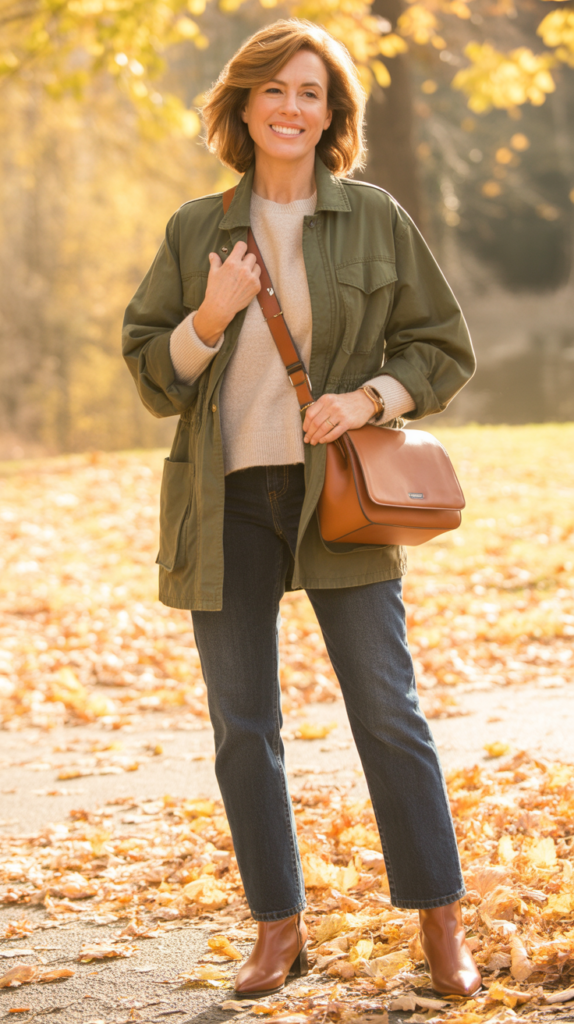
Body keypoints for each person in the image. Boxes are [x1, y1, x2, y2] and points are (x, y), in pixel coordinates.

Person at [122, 18, 480, 1001]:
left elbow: (442, 348)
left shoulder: (374, 218)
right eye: (273, 89)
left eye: (309, 93)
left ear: (331, 116)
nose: (290, 107)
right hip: (226, 498)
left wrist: (368, 400)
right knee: (244, 723)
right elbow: (151, 371)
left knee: (387, 710)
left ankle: (439, 919)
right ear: (243, 107)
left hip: (341, 496)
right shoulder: (197, 229)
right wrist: (210, 313)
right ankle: (278, 928)